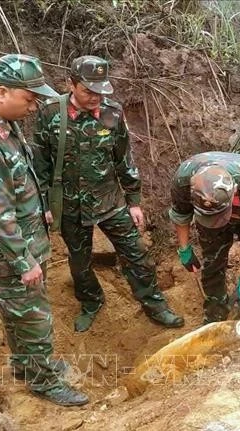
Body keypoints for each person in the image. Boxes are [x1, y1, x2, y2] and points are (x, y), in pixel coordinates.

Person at [0, 54, 88, 406]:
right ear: (2, 92)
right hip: (8, 255)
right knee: (34, 319)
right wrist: (23, 260)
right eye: (29, 99)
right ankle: (44, 382)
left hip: (24, 240)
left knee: (19, 316)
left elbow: (20, 176)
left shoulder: (2, 122)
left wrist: (40, 207)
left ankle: (27, 365)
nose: (33, 108)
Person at [32, 55, 184, 332]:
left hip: (110, 201)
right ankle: (91, 301)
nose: (95, 97)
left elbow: (123, 159)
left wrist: (134, 201)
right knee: (80, 263)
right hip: (69, 205)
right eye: (89, 90)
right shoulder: (51, 113)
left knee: (136, 254)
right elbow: (40, 163)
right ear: (71, 84)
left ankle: (155, 304)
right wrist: (45, 204)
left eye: (100, 90)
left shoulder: (112, 112)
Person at [169, 152, 240, 328]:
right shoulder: (183, 179)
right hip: (206, 218)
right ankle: (215, 316)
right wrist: (184, 248)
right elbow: (181, 214)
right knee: (212, 263)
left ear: (234, 190)